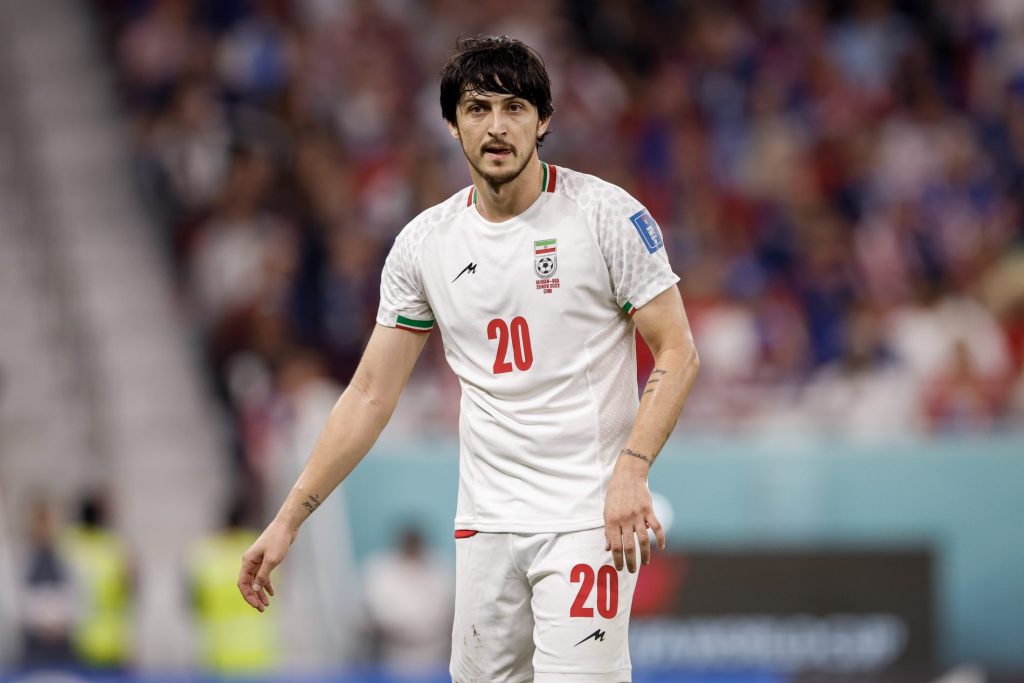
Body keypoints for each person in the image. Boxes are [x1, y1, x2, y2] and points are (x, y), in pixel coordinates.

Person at [238, 35, 700, 683]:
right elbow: (370, 393)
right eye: (478, 109)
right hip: (486, 526)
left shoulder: (606, 217)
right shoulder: (424, 244)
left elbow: (678, 351)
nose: (496, 126)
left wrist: (633, 469)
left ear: (544, 121)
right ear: (453, 125)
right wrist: (289, 518)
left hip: (587, 516)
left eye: (514, 108)